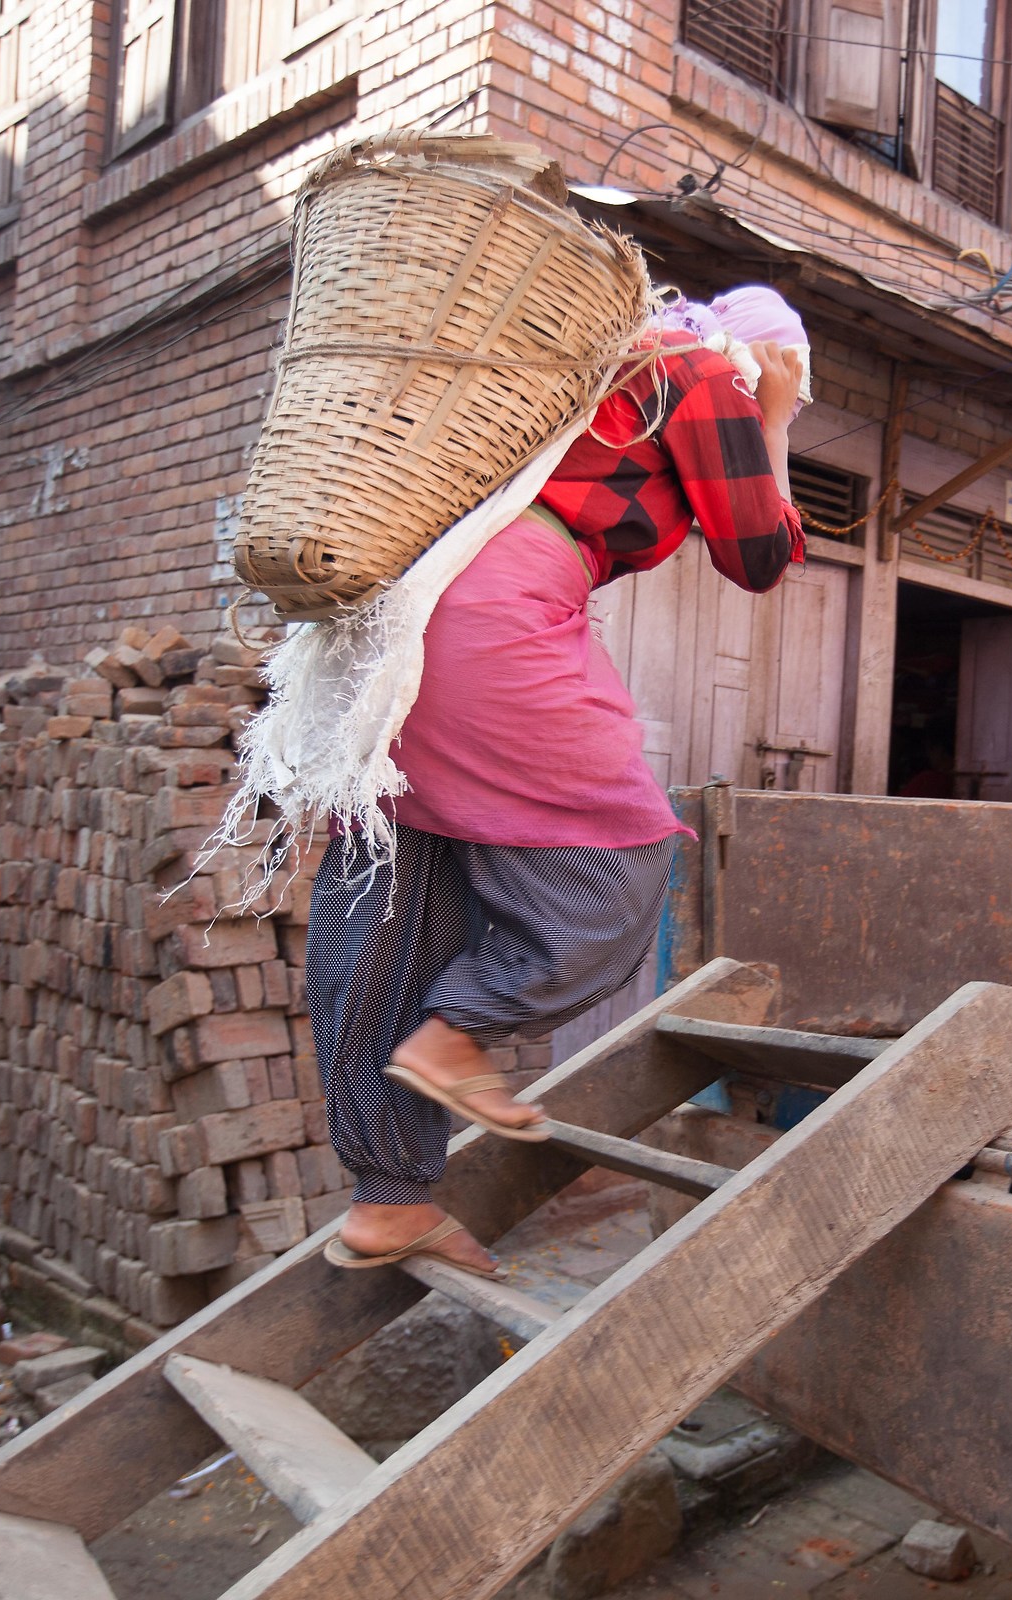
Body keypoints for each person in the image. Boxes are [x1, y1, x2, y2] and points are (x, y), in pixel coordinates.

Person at [311, 287, 809, 1277]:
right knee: (620, 850)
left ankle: (390, 1199)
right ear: (770, 354)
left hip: (400, 622)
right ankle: (459, 1032)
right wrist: (778, 420)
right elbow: (760, 551)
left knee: (405, 909)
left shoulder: (592, 378)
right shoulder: (697, 368)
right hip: (497, 607)